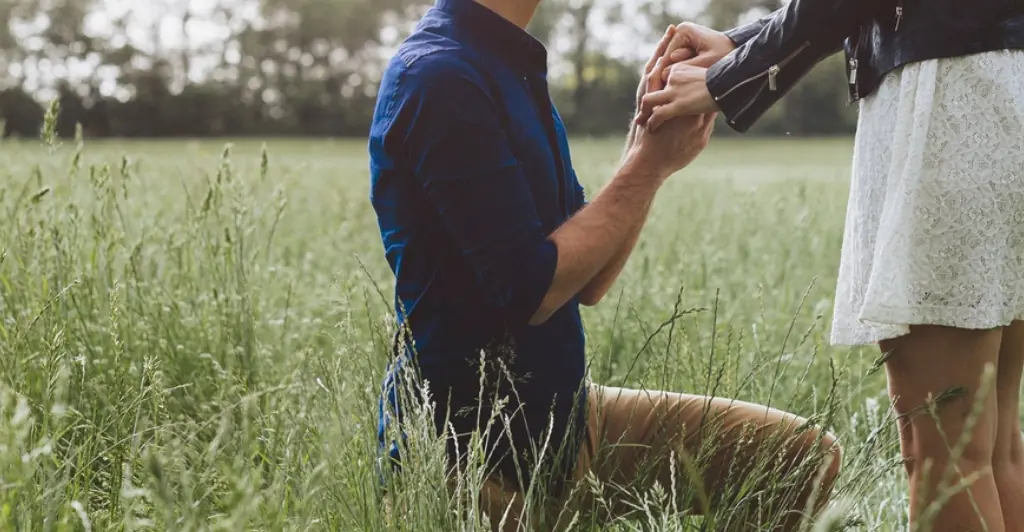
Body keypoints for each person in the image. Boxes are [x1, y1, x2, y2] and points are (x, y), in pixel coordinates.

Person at [367, 0, 842, 529]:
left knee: (802, 459)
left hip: (565, 422)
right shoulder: (439, 76)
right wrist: (649, 164)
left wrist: (646, 142)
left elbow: (587, 282)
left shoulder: (502, 59)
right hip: (477, 457)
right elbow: (535, 289)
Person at [635, 2, 1024, 531]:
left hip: (950, 103)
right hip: (1003, 86)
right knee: (994, 447)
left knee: (944, 453)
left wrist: (733, 76)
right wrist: (741, 44)